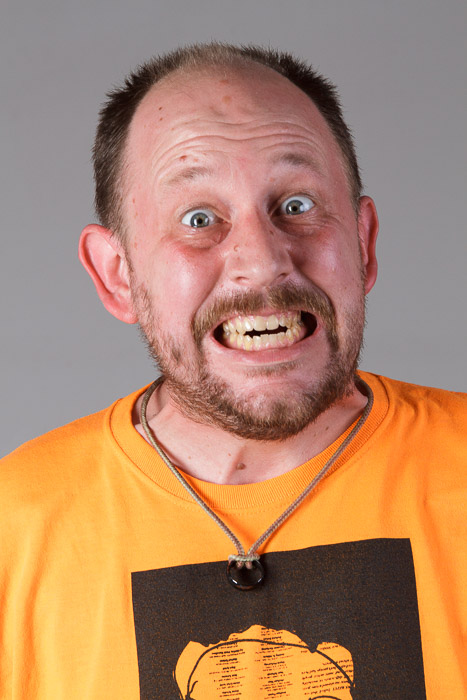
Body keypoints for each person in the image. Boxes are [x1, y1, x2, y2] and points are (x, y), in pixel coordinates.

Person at [1, 43, 465, 699]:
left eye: (297, 205)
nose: (263, 261)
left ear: (362, 244)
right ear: (117, 275)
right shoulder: (16, 525)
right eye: (199, 219)